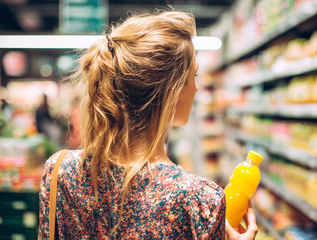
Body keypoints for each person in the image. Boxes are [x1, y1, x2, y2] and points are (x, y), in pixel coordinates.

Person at [39, 11, 258, 239]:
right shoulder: (200, 200)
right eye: (194, 76)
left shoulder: (59, 171)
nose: (197, 88)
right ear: (172, 91)